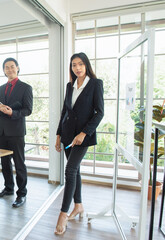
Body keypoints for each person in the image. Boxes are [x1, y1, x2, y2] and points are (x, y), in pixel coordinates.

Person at [54, 52, 104, 235]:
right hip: (67, 135)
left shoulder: (95, 84)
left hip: (83, 137)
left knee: (70, 170)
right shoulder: (70, 86)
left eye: (81, 64)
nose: (78, 68)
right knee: (75, 171)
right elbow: (64, 112)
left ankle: (63, 214)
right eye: (74, 65)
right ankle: (79, 205)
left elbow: (100, 112)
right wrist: (58, 135)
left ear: (86, 65)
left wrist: (84, 133)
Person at [0, 57, 33, 208]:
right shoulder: (0, 89)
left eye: (12, 66)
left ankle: (21, 193)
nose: (9, 69)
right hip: (2, 130)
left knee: (19, 163)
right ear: (4, 71)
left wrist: (12, 112)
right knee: (4, 162)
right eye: (6, 67)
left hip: (16, 131)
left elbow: (28, 110)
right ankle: (9, 188)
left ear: (17, 68)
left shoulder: (25, 88)